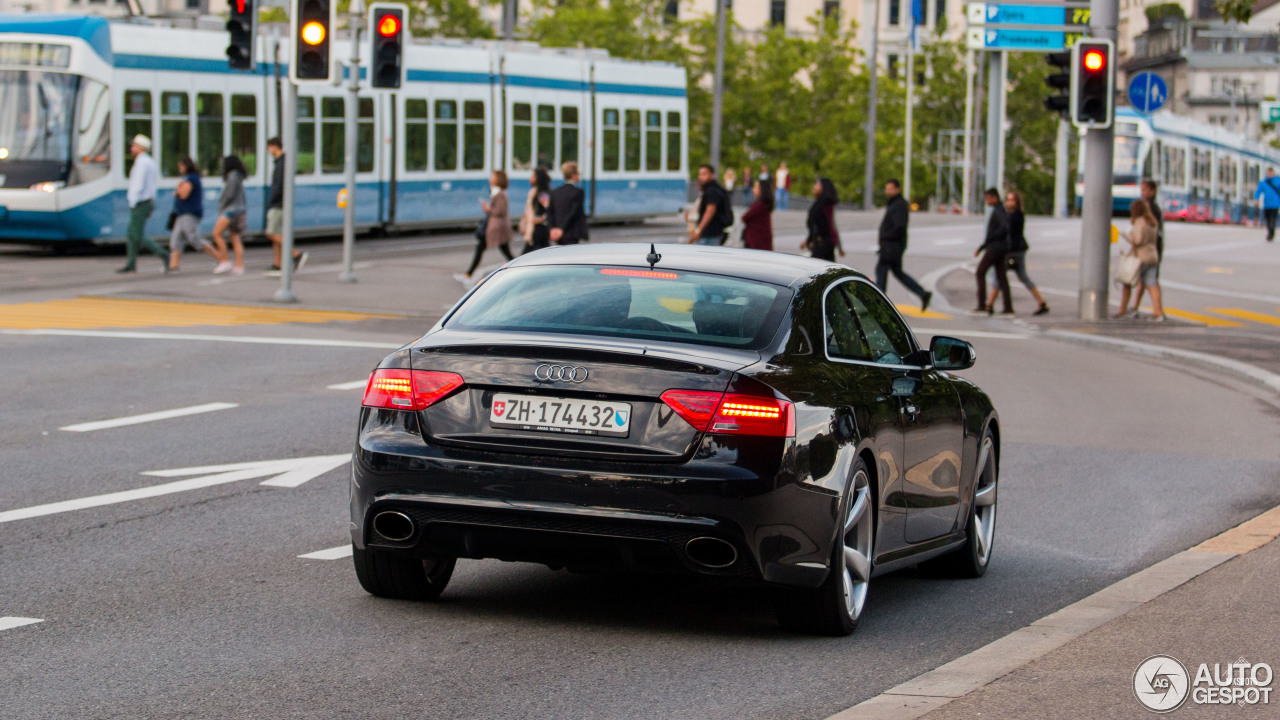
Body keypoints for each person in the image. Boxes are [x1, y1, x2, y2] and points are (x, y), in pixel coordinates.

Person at [985, 191, 1049, 316]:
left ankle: (989, 304)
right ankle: (1042, 302)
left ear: (1017, 202)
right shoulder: (1011, 214)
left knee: (1002, 276)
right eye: (1008, 200)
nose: (1009, 202)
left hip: (1014, 251)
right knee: (1021, 277)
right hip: (1015, 250)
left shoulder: (1016, 215)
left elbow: (1010, 235)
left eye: (1012, 200)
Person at [876, 178, 932, 311]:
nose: (887, 191)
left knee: (882, 272)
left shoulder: (899, 205)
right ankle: (922, 293)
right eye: (887, 189)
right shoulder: (894, 203)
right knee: (896, 272)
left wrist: (885, 237)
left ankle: (879, 302)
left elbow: (899, 226)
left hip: (892, 246)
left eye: (890, 189)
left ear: (897, 189)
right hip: (891, 246)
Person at [117, 135, 168, 273]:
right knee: (132, 234)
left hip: (140, 202)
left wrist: (133, 201)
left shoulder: (142, 163)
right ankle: (131, 262)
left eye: (134, 146)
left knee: (137, 235)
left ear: (140, 148)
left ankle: (163, 254)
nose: (132, 148)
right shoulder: (149, 162)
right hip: (145, 201)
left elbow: (138, 185)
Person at [166, 157, 225, 272]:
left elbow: (184, 194)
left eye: (181, 167)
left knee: (194, 239)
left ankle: (221, 258)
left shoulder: (192, 178)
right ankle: (173, 265)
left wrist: (178, 190)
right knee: (176, 239)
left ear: (187, 166)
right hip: (182, 213)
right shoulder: (188, 178)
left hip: (190, 213)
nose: (180, 169)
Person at [456, 170, 515, 284]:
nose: (490, 178)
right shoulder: (496, 192)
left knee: (485, 248)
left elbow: (500, 211)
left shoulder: (500, 193)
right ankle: (468, 274)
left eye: (492, 177)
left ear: (497, 179)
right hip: (495, 228)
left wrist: (488, 209)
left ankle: (468, 275)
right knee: (501, 250)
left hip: (496, 228)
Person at [264, 136, 308, 276]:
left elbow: (279, 185)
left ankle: (296, 254)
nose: (268, 150)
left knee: (271, 233)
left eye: (269, 147)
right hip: (281, 202)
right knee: (277, 233)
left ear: (274, 146)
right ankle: (278, 264)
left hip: (278, 204)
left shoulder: (281, 163)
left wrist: (273, 199)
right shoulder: (281, 162)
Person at [1115, 198, 1164, 321]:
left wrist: (1126, 235)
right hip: (1152, 256)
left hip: (1140, 258)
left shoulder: (1139, 222)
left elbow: (1137, 240)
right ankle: (1158, 313)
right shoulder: (1152, 221)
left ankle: (1122, 311)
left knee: (1127, 283)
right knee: (1152, 284)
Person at [975, 187, 1013, 314]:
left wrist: (988, 242)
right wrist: (982, 247)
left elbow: (1003, 228)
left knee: (980, 272)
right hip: (1000, 247)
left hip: (995, 248)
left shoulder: (998, 211)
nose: (986, 201)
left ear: (994, 198)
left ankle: (982, 304)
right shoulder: (1000, 209)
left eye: (987, 198)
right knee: (1002, 277)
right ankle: (1007, 307)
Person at [1128, 178, 1164, 315]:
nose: (1142, 193)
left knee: (1150, 281)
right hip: (1154, 251)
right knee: (1148, 280)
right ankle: (1138, 307)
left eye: (1144, 190)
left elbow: (1139, 238)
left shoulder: (1149, 210)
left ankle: (1157, 310)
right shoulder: (1154, 208)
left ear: (1152, 191)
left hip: (1146, 252)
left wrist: (1129, 238)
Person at [211, 155, 248, 275]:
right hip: (239, 209)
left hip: (230, 210)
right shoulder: (238, 176)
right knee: (235, 238)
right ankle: (239, 265)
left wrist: (221, 205)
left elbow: (229, 194)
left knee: (216, 234)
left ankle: (225, 261)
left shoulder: (232, 176)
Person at [688, 164, 731, 245]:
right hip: (714, 233)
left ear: (712, 175)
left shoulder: (711, 190)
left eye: (704, 174)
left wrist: (698, 230)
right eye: (700, 174)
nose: (700, 177)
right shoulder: (716, 189)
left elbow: (710, 210)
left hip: (709, 234)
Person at [548, 161, 588, 245]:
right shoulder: (578, 192)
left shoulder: (555, 192)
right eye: (578, 174)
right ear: (573, 175)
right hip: (572, 232)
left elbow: (550, 211)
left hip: (557, 232)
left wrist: (553, 228)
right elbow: (574, 212)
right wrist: (562, 229)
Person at [803, 177, 838, 261]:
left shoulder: (823, 203)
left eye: (817, 185)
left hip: (823, 243)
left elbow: (825, 225)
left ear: (824, 188)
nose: (814, 187)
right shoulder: (821, 203)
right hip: (824, 243)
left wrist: (813, 239)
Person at [519, 167, 552, 255]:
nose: (530, 178)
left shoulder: (542, 193)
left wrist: (541, 218)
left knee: (525, 256)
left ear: (538, 178)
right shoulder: (533, 191)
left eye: (533, 176)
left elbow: (548, 209)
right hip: (534, 228)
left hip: (539, 229)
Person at [740, 178, 774, 251]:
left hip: (756, 240)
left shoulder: (759, 205)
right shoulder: (764, 204)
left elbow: (746, 217)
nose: (753, 189)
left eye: (756, 187)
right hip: (762, 239)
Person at [1255, 167, 1280, 241]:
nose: (1270, 174)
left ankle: (1271, 233)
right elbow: (1258, 191)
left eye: (1271, 173)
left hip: (1275, 204)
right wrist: (1256, 199)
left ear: (1273, 173)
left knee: (1273, 219)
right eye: (1268, 173)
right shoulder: (1263, 182)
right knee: (1267, 219)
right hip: (1266, 204)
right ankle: (1270, 232)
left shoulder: (1278, 181)